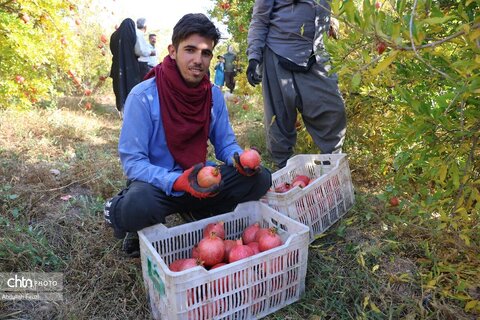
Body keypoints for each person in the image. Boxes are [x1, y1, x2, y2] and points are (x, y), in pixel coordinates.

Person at [104, 13, 272, 258]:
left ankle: (198, 210)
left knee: (260, 179)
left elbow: (225, 144)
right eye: (190, 50)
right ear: (173, 51)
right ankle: (129, 219)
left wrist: (240, 159)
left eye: (205, 53)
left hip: (198, 179)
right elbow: (134, 163)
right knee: (137, 205)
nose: (198, 60)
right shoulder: (144, 96)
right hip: (158, 185)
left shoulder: (212, 95)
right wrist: (176, 182)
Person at [246, 0, 346, 169]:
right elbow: (260, 19)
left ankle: (333, 167)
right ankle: (285, 174)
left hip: (316, 53)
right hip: (278, 53)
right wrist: (254, 57)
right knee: (279, 119)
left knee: (333, 109)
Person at [109, 18, 141, 113]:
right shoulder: (132, 34)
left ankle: (122, 110)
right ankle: (132, 111)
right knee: (131, 86)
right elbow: (138, 51)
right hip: (131, 67)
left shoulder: (114, 36)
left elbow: (112, 50)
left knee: (119, 86)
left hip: (117, 66)